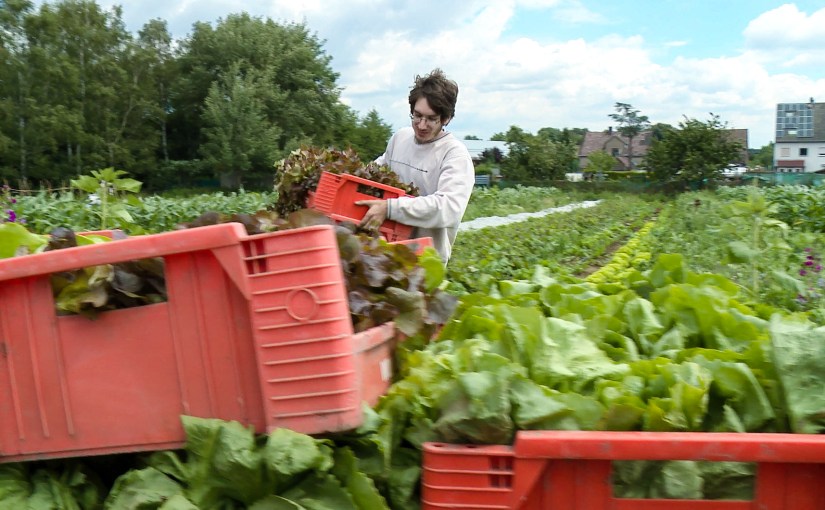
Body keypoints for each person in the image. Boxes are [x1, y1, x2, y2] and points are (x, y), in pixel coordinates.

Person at [356, 68, 474, 264]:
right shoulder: (400, 138)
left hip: (423, 261)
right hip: (383, 252)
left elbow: (449, 208)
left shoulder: (454, 155)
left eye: (431, 119)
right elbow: (376, 172)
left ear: (446, 119)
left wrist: (391, 208)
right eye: (417, 116)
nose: (421, 125)